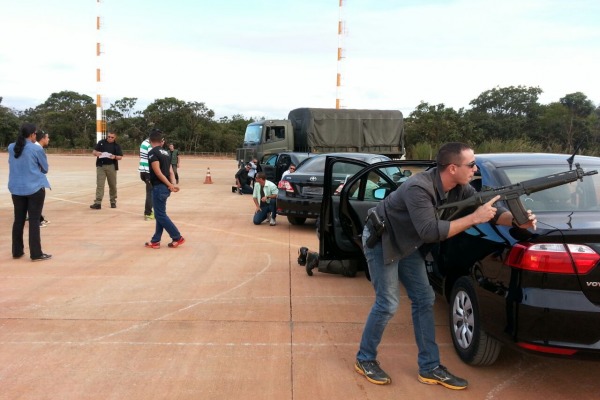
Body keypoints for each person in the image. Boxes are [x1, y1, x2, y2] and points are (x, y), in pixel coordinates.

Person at [355, 142, 537, 390]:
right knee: (387, 303)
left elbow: (492, 212)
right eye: (471, 164)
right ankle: (365, 359)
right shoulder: (418, 188)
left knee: (424, 298)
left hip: (408, 243)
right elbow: (430, 232)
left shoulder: (460, 188)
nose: (474, 169)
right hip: (382, 240)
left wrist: (517, 221)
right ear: (452, 168)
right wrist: (474, 218)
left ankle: (429, 367)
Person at [8, 123, 52, 261]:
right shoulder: (36, 149)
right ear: (32, 134)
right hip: (34, 188)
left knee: (18, 220)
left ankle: (17, 251)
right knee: (34, 221)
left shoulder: (11, 147)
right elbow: (45, 169)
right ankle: (36, 253)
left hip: (16, 188)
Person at [144, 130, 185, 249]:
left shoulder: (152, 153)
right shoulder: (166, 153)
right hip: (166, 187)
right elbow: (171, 171)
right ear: (161, 141)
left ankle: (177, 237)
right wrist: (172, 184)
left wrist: (170, 185)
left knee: (160, 215)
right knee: (160, 214)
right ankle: (155, 240)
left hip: (159, 187)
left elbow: (158, 172)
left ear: (150, 141)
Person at [90, 132, 123, 209]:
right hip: (101, 166)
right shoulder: (101, 143)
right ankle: (98, 202)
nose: (110, 138)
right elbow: (93, 152)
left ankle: (113, 201)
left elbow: (120, 157)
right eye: (108, 137)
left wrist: (114, 157)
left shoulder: (116, 146)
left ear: (115, 138)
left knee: (112, 185)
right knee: (100, 185)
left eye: (112, 137)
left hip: (111, 166)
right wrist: (97, 153)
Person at [34, 130, 51, 227]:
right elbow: (44, 168)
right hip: (36, 178)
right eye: (47, 137)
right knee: (37, 199)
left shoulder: (36, 147)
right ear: (42, 139)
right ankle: (37, 221)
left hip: (36, 177)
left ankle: (39, 218)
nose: (48, 139)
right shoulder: (37, 148)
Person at [139, 133, 154, 220]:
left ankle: (150, 211)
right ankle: (148, 213)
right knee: (150, 192)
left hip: (143, 170)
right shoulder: (148, 145)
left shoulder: (144, 143)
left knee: (151, 191)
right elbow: (152, 158)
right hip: (148, 171)